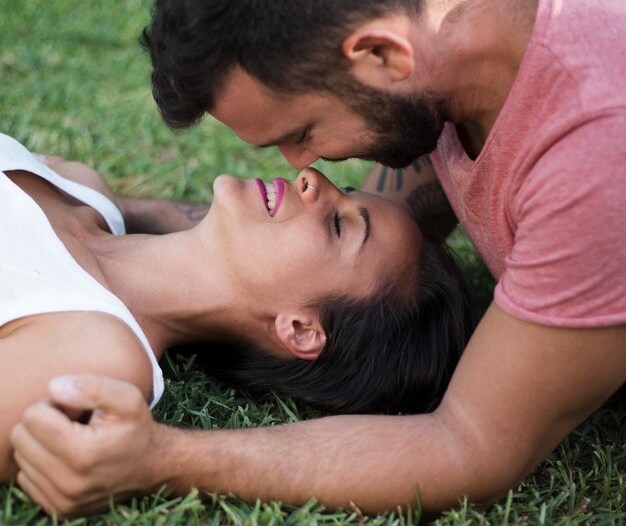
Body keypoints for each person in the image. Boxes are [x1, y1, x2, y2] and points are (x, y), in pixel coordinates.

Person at [11, 0, 625, 518]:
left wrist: (162, 458)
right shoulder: (457, 34)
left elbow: (466, 442)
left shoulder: (599, 158)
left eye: (302, 131)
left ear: (384, 54)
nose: (308, 167)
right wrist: (103, 211)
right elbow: (377, 237)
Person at [0, 132, 476, 482]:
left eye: (337, 226)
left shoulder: (101, 352)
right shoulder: (80, 187)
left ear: (301, 329)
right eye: (346, 193)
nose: (313, 179)